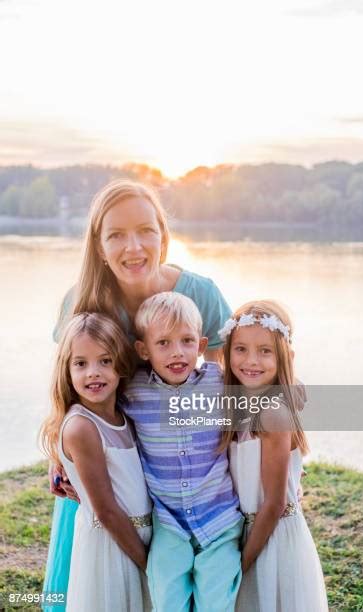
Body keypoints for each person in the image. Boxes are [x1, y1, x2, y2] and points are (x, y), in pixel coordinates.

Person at [43, 179, 231, 609]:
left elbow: (232, 392)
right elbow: (64, 388)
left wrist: (273, 455)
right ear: (98, 244)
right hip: (111, 467)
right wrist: (58, 450)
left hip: (186, 475)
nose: (134, 246)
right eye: (116, 234)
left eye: (146, 230)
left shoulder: (200, 294)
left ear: (163, 234)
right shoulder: (82, 302)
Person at [124, 292, 243, 612]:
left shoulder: (219, 383)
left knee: (216, 600)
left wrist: (293, 386)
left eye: (187, 341)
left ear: (202, 346)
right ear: (143, 350)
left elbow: (266, 388)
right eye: (163, 343)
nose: (177, 352)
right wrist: (59, 459)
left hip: (219, 518)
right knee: (165, 596)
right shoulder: (132, 391)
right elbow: (89, 411)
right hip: (169, 522)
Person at [219, 300, 328, 612]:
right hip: (246, 533)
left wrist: (241, 563)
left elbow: (274, 503)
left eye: (265, 351)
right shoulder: (236, 406)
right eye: (240, 349)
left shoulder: (273, 413)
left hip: (272, 539)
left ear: (283, 356)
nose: (251, 360)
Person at [40, 312, 152, 611]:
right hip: (112, 547)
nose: (94, 372)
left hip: (137, 538)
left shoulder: (124, 416)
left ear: (121, 365)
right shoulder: (82, 427)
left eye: (105, 360)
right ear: (67, 369)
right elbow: (106, 511)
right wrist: (149, 564)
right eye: (81, 363)